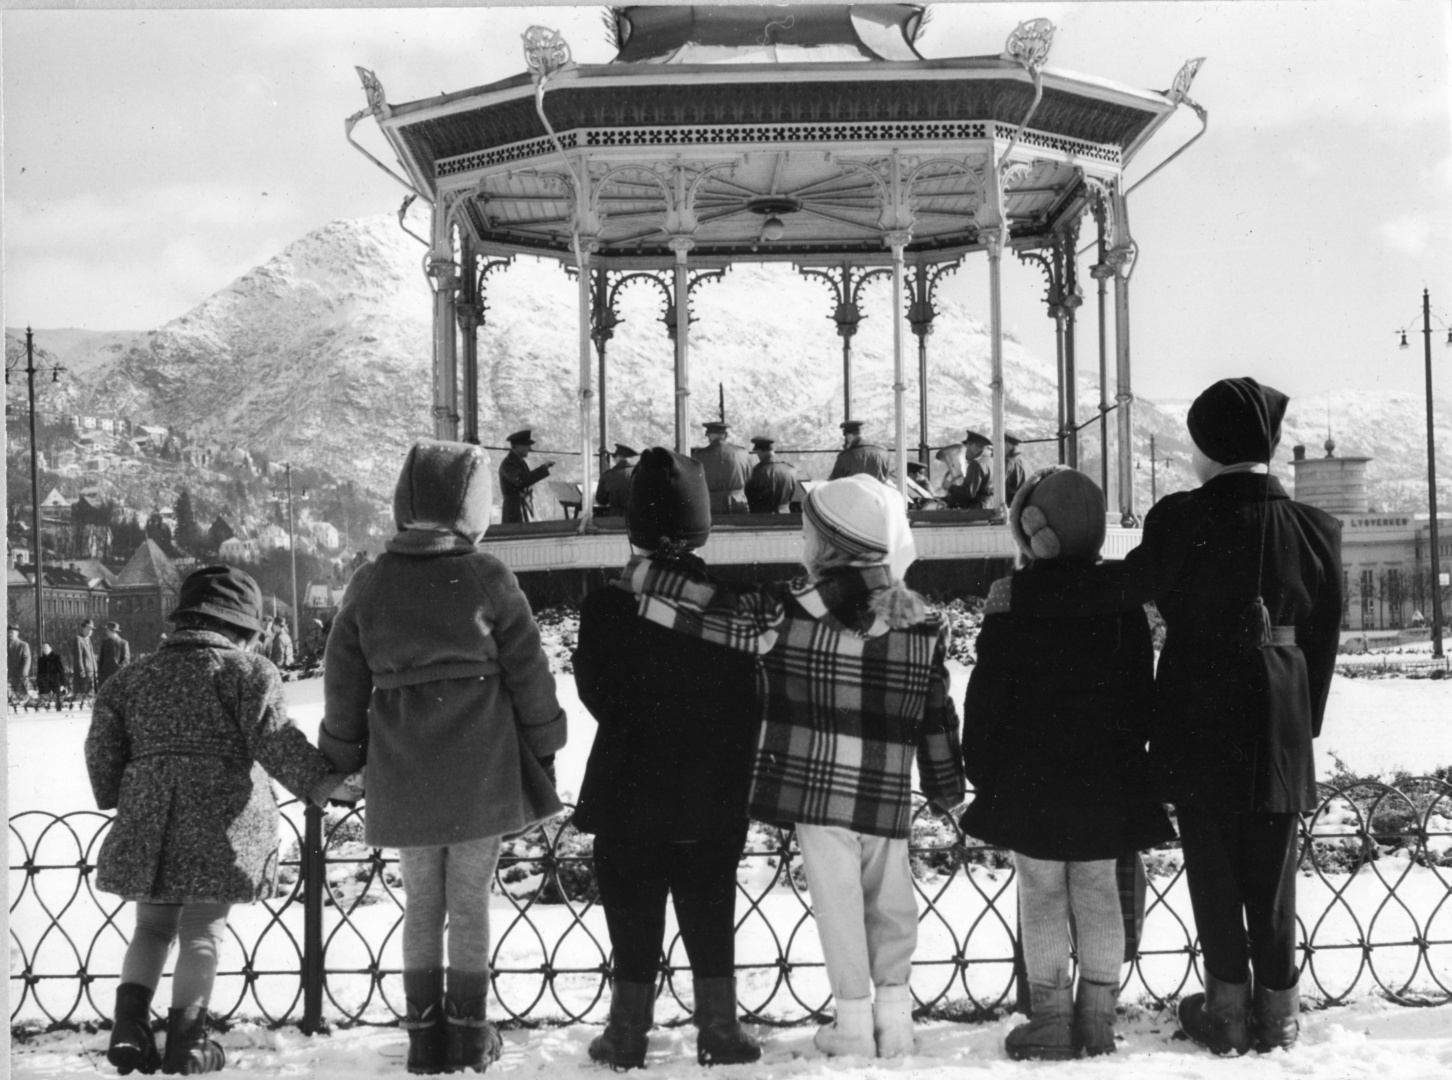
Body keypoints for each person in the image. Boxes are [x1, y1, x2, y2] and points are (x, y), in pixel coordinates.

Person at [997, 377, 1342, 1055]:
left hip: (1199, 705)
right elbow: (1322, 638)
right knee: (1274, 871)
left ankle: (1227, 1010)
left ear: (1209, 447)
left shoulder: (1182, 518)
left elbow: (1124, 588)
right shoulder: (1313, 528)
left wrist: (1030, 595)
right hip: (1281, 709)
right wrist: (1305, 721)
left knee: (1211, 861)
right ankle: (1281, 1014)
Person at [622, 474, 966, 1059]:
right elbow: (938, 717)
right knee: (891, 903)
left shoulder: (786, 613)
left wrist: (638, 575)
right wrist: (945, 790)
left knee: (840, 908)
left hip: (818, 794)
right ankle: (895, 1019)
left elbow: (700, 607)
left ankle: (853, 1024)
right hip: (886, 795)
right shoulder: (923, 624)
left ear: (821, 546)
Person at [320, 439, 568, 1074]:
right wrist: (545, 743)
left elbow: (343, 677)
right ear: (473, 506)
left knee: (422, 904)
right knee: (471, 899)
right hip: (481, 760)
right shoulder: (487, 574)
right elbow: (529, 669)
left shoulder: (370, 581)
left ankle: (424, 1038)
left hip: (401, 762)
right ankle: (468, 1030)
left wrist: (341, 756)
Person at [86, 565, 349, 1076]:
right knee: (203, 928)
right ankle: (188, 1042)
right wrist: (323, 784)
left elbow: (101, 751)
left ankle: (130, 1030)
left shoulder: (130, 678)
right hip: (220, 818)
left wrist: (126, 797)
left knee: (151, 927)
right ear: (244, 630)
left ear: (184, 619)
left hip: (149, 816)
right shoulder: (249, 673)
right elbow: (276, 741)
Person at [961, 466, 1174, 1059]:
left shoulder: (1010, 599)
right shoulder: (1123, 602)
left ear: (1033, 529)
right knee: (1100, 891)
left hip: (1029, 779)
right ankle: (1098, 1021)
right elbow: (1141, 694)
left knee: (1041, 893)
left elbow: (987, 695)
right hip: (1106, 778)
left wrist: (984, 769)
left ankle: (1050, 1020)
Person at [573, 448, 763, 1068]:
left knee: (632, 913)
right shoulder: (734, 606)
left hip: (627, 787)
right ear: (703, 524)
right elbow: (752, 702)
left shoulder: (605, 607)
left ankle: (627, 1034)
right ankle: (720, 1029)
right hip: (713, 792)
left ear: (635, 528)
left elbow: (595, 693)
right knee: (711, 908)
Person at [690, 421, 752, 515]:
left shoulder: (698, 456)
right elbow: (749, 478)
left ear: (709, 435)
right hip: (738, 502)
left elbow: (695, 483)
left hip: (711, 504)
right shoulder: (743, 453)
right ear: (726, 435)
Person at [498, 428, 556, 524]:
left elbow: (526, 478)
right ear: (519, 446)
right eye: (527, 446)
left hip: (521, 506)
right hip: (514, 509)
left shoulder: (519, 462)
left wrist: (544, 468)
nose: (529, 449)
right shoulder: (508, 464)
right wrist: (543, 468)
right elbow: (522, 480)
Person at [743, 436, 800, 513]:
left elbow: (748, 495)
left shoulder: (755, 471)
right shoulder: (791, 469)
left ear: (759, 451)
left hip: (761, 515)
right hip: (785, 513)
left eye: (757, 452)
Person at [828, 420, 892, 483]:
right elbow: (885, 479)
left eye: (846, 438)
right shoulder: (883, 452)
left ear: (849, 437)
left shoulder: (845, 456)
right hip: (877, 493)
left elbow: (834, 482)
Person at [944, 430, 994, 509]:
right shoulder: (991, 461)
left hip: (978, 509)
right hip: (990, 505)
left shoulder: (976, 463)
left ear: (973, 446)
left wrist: (950, 487)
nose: (966, 452)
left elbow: (968, 493)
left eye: (966, 448)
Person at [594, 443, 638, 517]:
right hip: (637, 519)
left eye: (614, 457)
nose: (614, 460)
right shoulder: (641, 473)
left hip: (615, 518)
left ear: (619, 457)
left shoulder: (608, 475)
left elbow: (601, 501)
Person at [70, 618, 98, 699]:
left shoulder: (88, 639)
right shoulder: (78, 639)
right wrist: (81, 670)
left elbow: (92, 657)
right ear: (83, 628)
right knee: (83, 693)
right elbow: (78, 656)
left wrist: (95, 669)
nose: (89, 631)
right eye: (88, 629)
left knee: (91, 693)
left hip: (91, 672)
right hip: (84, 673)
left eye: (91, 630)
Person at [97, 621, 132, 687]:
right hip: (104, 677)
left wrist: (118, 670)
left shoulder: (123, 643)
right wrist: (100, 674)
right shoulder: (104, 643)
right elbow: (101, 660)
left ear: (113, 631)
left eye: (108, 630)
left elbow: (126, 660)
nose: (106, 632)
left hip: (117, 677)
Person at [36, 642, 67, 708]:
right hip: (44, 685)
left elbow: (61, 671)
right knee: (43, 703)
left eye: (45, 647)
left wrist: (63, 684)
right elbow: (39, 673)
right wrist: (38, 683)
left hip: (55, 684)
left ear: (50, 648)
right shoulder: (40, 660)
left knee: (58, 702)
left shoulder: (56, 658)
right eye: (42, 648)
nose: (44, 649)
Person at [1003, 432, 1028, 508]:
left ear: (1006, 444)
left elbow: (1000, 487)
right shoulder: (1024, 461)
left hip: (1012, 506)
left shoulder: (1010, 462)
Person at [8, 624, 32, 699]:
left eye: (12, 632)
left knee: (21, 697)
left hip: (19, 677)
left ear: (17, 633)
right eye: (8, 632)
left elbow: (27, 660)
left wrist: (24, 674)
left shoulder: (23, 645)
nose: (10, 634)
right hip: (7, 676)